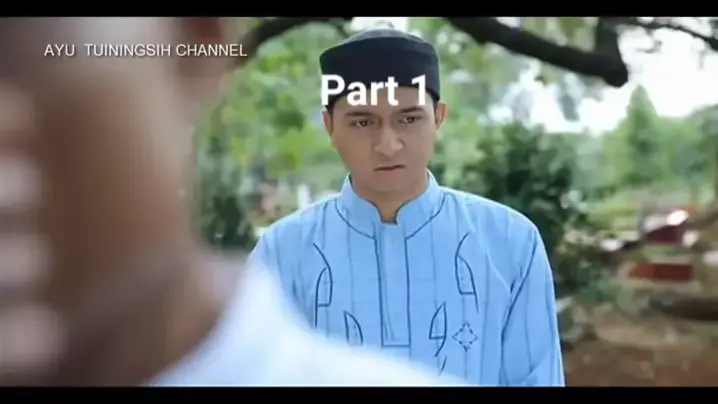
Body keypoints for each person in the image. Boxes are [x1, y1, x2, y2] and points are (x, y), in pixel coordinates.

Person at [0, 17, 464, 386]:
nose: (387, 144)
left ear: (191, 45)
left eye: (11, 44)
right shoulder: (286, 245)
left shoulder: (496, 237)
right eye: (362, 121)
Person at [250, 28, 565, 386]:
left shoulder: (510, 242)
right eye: (363, 122)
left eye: (409, 118)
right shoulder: (280, 254)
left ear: (438, 118)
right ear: (330, 126)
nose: (388, 145)